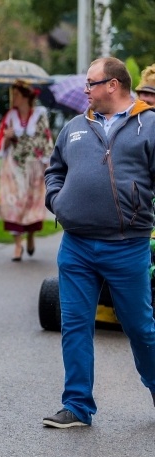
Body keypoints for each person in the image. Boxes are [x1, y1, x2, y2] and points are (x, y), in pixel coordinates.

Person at [43, 57, 155, 428]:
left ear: (113, 85)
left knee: (140, 328)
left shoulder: (149, 125)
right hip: (76, 245)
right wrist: (57, 201)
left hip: (128, 245)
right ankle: (77, 406)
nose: (86, 90)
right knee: (75, 325)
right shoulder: (75, 127)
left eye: (92, 83)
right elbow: (54, 169)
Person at [0, 79, 54, 261]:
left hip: (33, 166)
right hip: (14, 166)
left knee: (31, 203)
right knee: (13, 203)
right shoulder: (10, 117)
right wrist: (8, 138)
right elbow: (1, 143)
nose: (13, 98)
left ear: (26, 96)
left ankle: (31, 236)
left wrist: (45, 163)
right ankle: (18, 244)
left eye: (16, 94)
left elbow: (44, 140)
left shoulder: (40, 115)